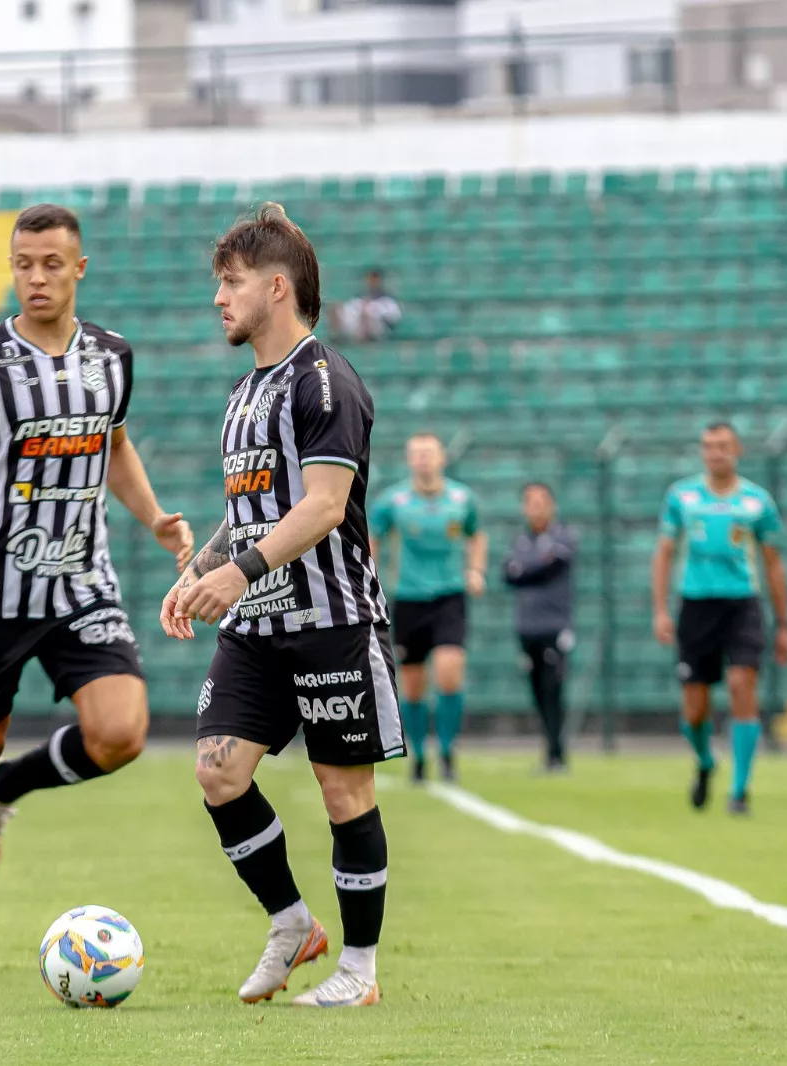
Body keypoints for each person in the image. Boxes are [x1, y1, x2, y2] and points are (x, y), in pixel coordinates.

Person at [0, 203, 194, 977]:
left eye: (52, 263)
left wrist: (153, 517)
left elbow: (114, 446)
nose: (37, 277)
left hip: (83, 583)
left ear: (78, 268)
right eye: (24, 264)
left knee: (121, 733)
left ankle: (10, 790)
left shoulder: (112, 357)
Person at [163, 203, 395, 1009]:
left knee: (343, 794)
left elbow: (325, 505)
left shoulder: (325, 381)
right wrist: (204, 566)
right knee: (218, 772)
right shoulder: (244, 391)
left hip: (330, 619)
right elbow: (255, 503)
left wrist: (241, 569)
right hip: (258, 626)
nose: (219, 299)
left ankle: (359, 972)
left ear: (275, 287)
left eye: (229, 284)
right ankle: (292, 922)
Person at [651, 422, 787, 816]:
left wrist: (784, 624)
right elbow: (664, 552)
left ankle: (739, 790)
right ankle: (705, 761)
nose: (715, 453)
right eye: (708, 446)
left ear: (738, 450)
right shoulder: (682, 496)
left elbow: (773, 563)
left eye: (723, 446)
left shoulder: (756, 501)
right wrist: (661, 609)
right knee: (694, 709)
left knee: (741, 684)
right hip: (696, 607)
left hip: (742, 606)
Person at [369, 432, 486, 782]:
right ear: (409, 459)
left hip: (449, 596)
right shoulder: (394, 501)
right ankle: (419, 755)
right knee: (414, 682)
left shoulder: (462, 499)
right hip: (409, 598)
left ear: (441, 458)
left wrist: (475, 570)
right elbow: (373, 536)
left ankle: (448, 751)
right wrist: (370, 578)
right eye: (416, 453)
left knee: (450, 671)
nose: (422, 459)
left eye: (428, 453)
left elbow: (476, 535)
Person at [503, 482, 577, 773]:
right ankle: (551, 750)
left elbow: (550, 567)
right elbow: (508, 574)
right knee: (536, 691)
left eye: (540, 501)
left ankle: (556, 754)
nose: (535, 507)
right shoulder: (520, 539)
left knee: (553, 689)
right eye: (529, 502)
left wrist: (525, 569)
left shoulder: (563, 536)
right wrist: (530, 568)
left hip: (554, 626)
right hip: (527, 627)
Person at [330, 268, 401, 343]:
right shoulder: (359, 298)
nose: (372, 282)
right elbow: (349, 311)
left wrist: (372, 312)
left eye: (375, 279)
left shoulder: (387, 299)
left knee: (366, 313)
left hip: (379, 330)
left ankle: (368, 341)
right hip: (356, 329)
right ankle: (337, 338)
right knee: (335, 309)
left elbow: (394, 318)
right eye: (370, 279)